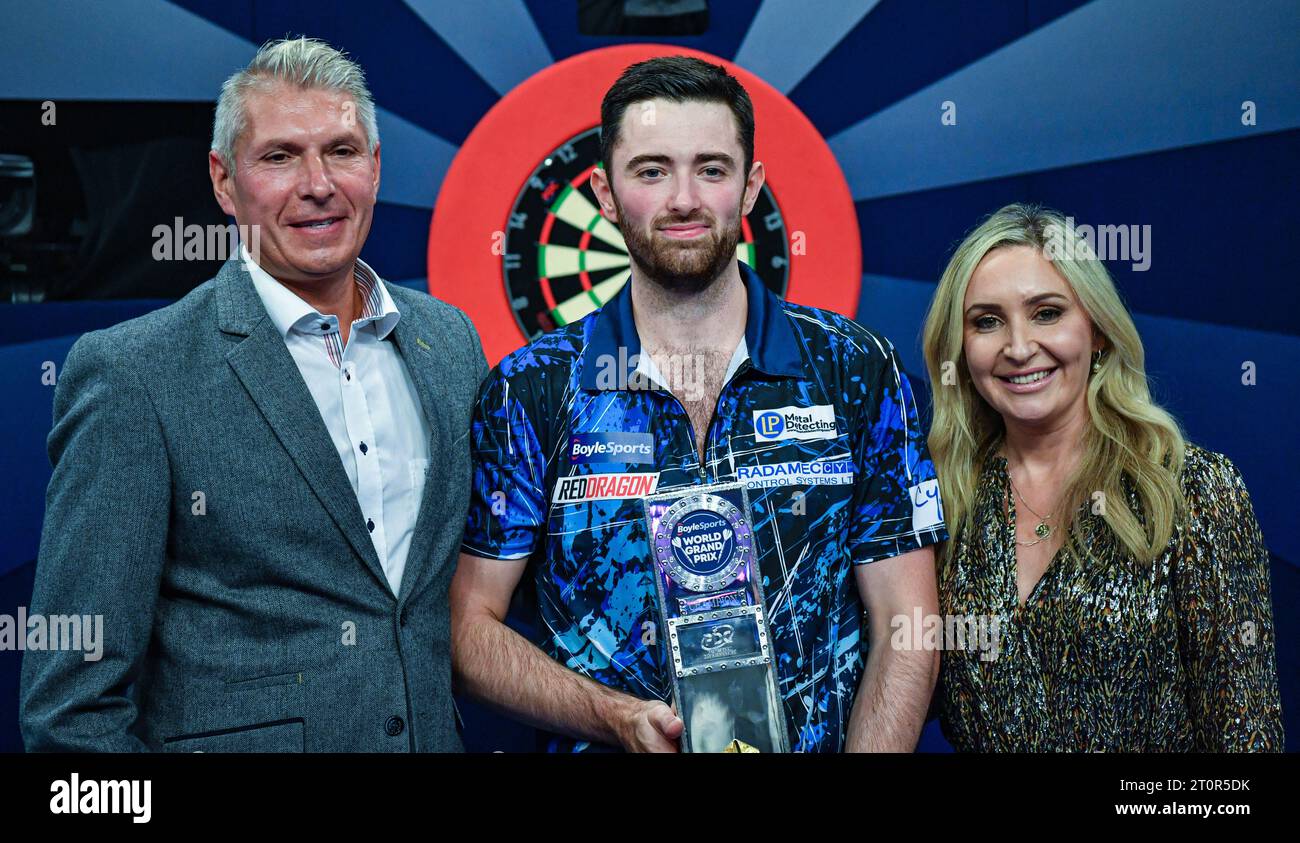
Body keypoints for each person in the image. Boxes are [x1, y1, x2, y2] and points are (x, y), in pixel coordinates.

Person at [450, 56, 946, 753]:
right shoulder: (532, 389)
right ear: (605, 192)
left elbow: (907, 619)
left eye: (711, 169)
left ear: (751, 188)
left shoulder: (854, 367)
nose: (684, 198)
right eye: (652, 171)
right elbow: (470, 632)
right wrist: (612, 717)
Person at [20, 37, 485, 752]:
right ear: (223, 180)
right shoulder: (134, 372)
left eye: (341, 150)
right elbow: (69, 713)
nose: (318, 183)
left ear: (376, 166)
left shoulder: (449, 343)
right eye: (279, 157)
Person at [921, 202, 1284, 751]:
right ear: (960, 347)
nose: (1019, 348)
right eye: (987, 321)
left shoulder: (1191, 490)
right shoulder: (941, 501)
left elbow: (1245, 740)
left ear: (1097, 332)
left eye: (1047, 313)